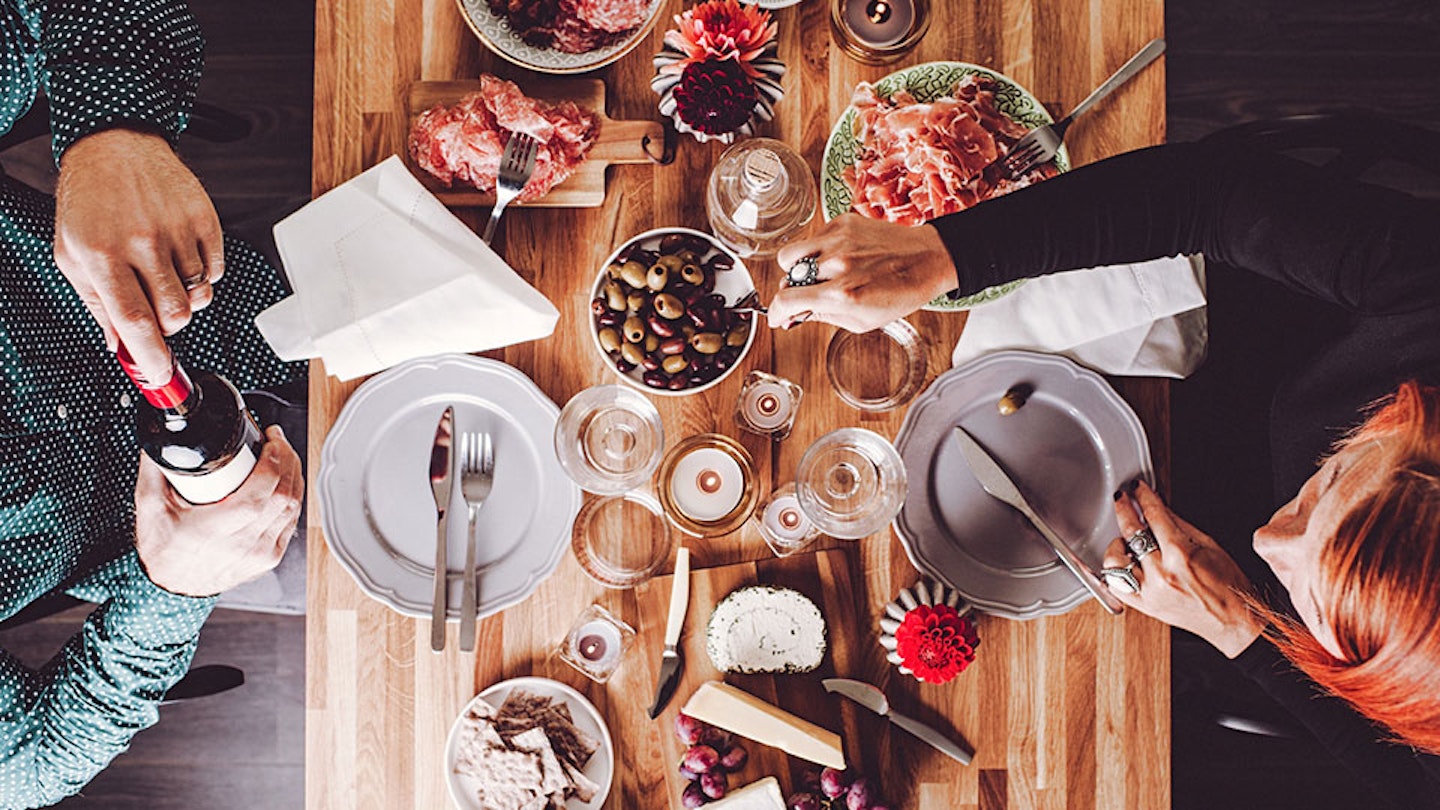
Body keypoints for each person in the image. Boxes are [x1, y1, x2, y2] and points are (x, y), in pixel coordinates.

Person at [771, 140, 1440, 808]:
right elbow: (1211, 193)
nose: (1267, 540)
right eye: (1331, 486)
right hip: (1273, 331)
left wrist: (1244, 626)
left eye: (1321, 610)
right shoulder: (1427, 298)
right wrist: (940, 254)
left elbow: (1405, 780)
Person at [0, 0, 305, 804]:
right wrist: (172, 590)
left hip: (243, 295)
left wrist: (112, 135)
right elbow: (26, 764)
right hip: (218, 528)